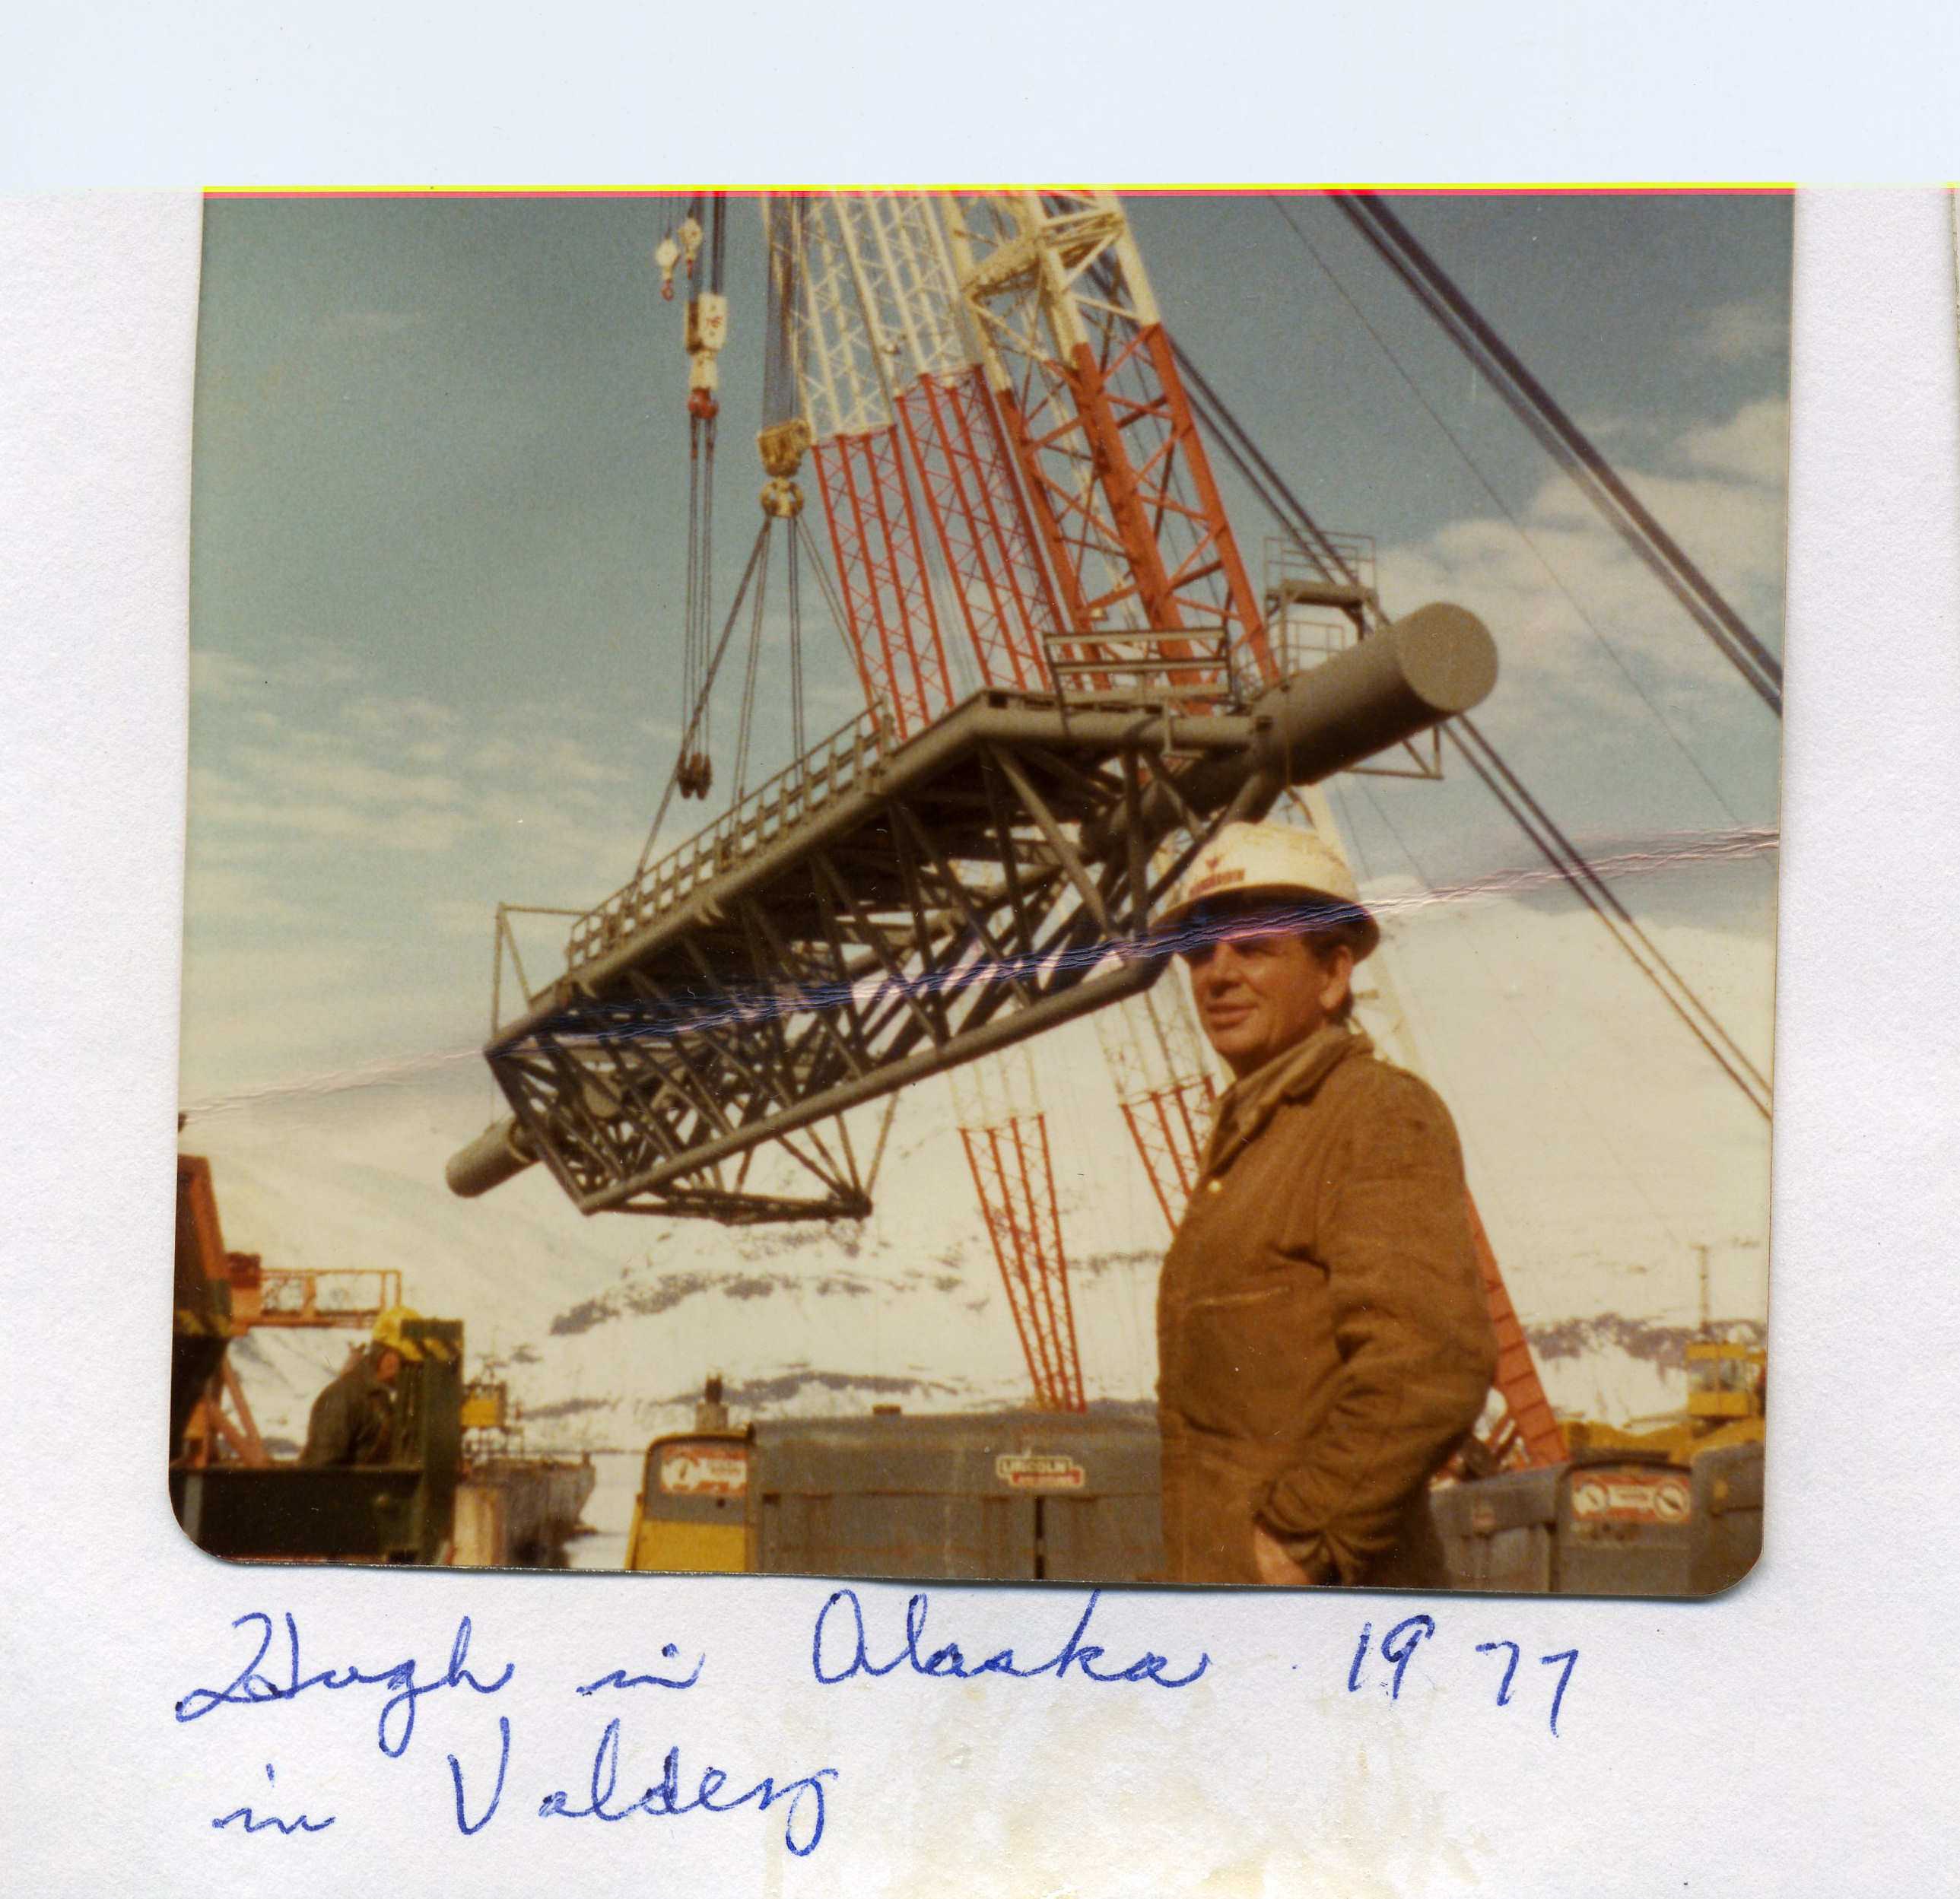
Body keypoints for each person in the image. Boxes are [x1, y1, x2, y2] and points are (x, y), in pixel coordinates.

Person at [1153, 820, 1497, 1587]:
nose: (1217, 974)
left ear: (1334, 974)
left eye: (1254, 948)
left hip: (1324, 1617)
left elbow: (1428, 1366)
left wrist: (1300, 1541)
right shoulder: (1253, 1139)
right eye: (1200, 952)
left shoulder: (1374, 1115)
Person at [298, 1305, 421, 1466]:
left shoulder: (387, 1398)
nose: (413, 1372)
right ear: (388, 1357)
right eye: (408, 1363)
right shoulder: (342, 1398)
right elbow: (319, 1470)